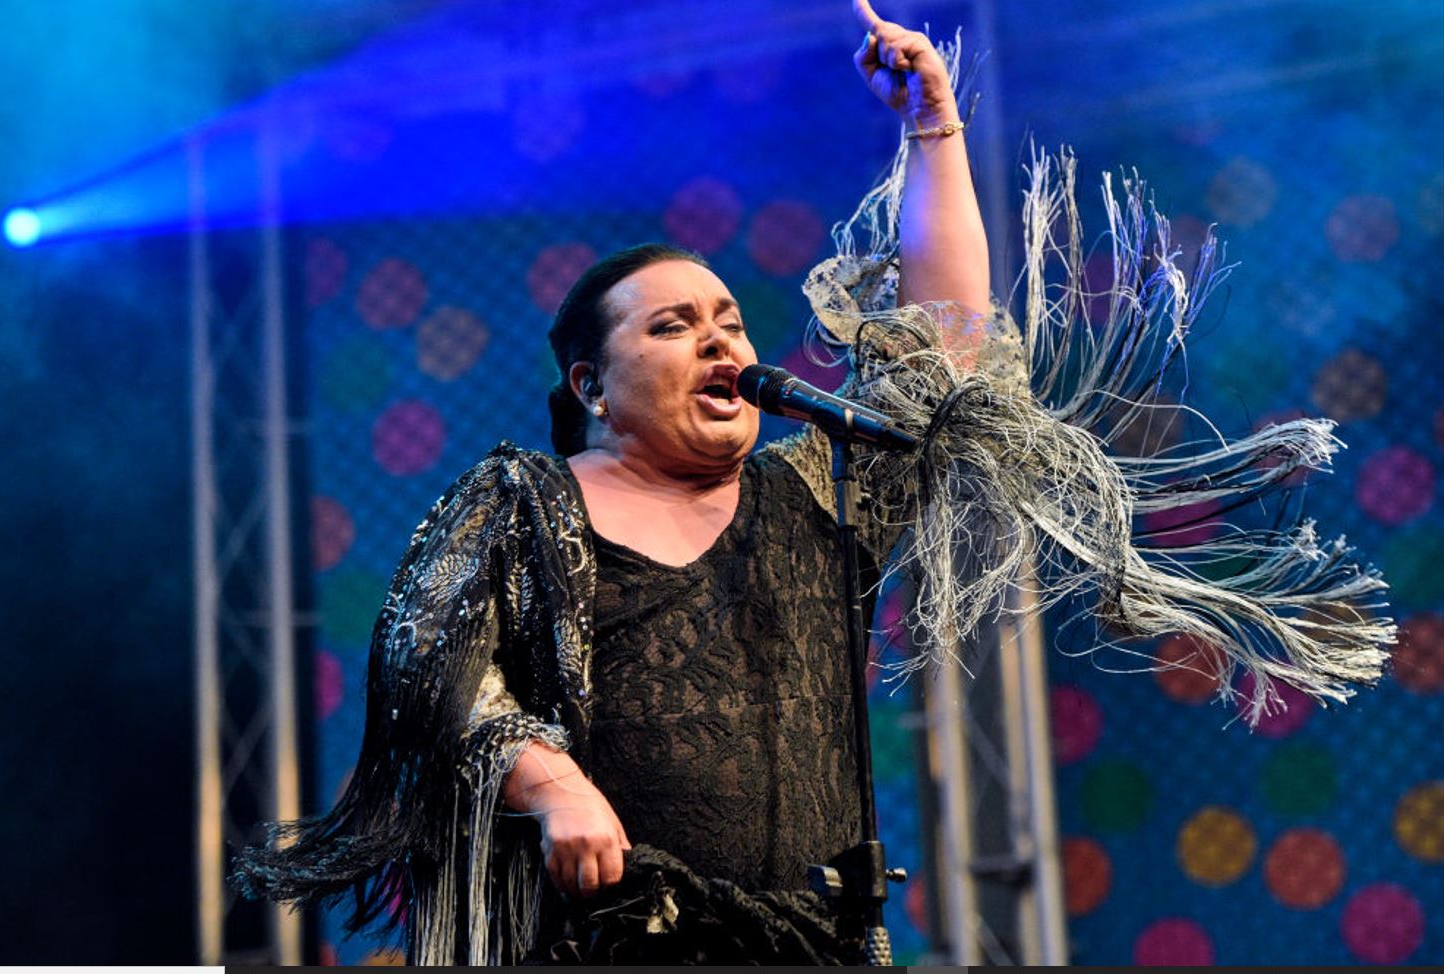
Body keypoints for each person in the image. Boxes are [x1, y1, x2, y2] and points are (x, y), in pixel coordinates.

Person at [234, 0, 1392, 965]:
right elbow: (430, 665)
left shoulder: (813, 491)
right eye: (672, 325)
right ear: (592, 383)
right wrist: (550, 784)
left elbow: (943, 355)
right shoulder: (523, 502)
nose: (717, 337)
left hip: (812, 941)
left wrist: (934, 131)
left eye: (729, 319)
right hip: (608, 942)